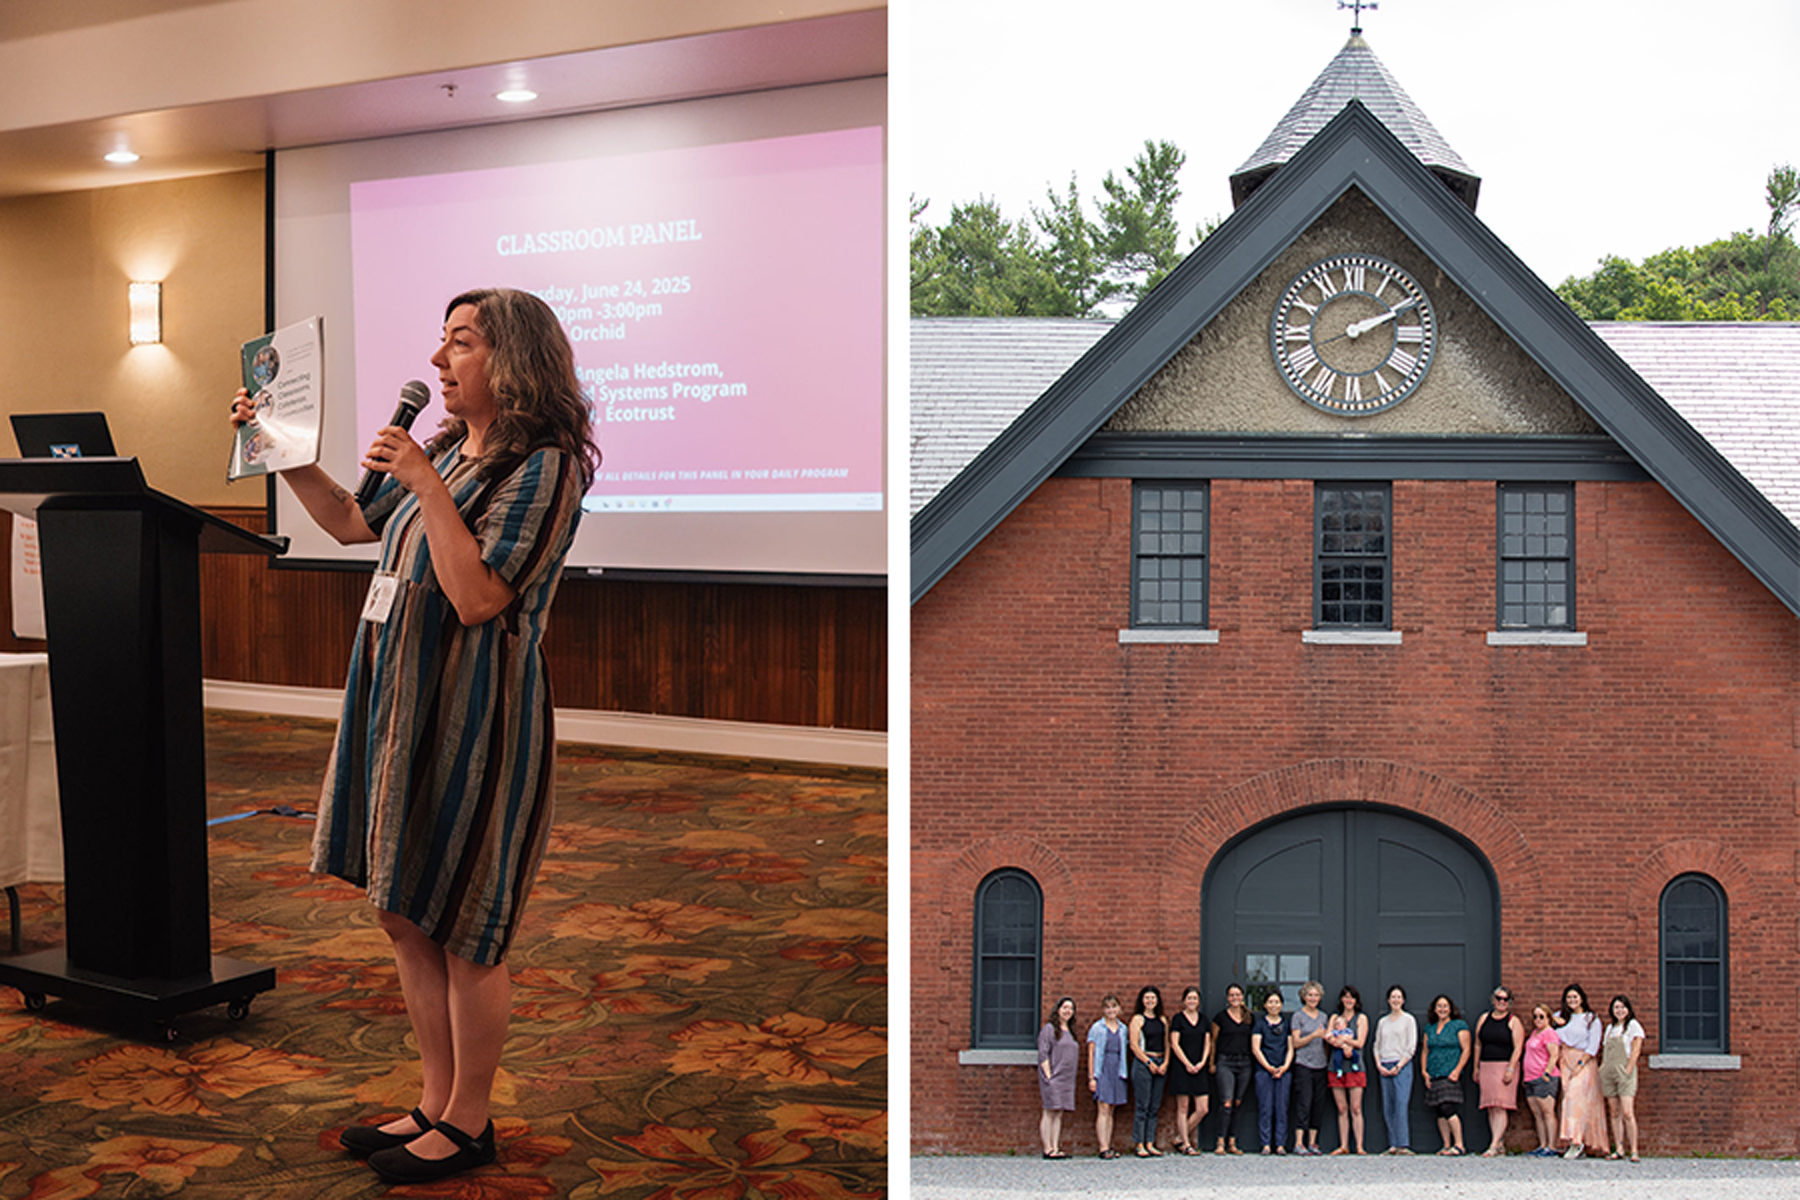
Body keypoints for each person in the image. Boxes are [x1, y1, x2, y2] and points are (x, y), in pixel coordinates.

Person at [236, 289, 599, 1185]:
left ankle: (470, 1122)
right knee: (405, 914)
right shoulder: (440, 446)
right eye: (441, 343)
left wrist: (429, 486)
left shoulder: (546, 469)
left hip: (478, 720)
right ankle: (433, 1102)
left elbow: (478, 596)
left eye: (461, 344)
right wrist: (281, 452)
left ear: (512, 361)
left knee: (467, 924)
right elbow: (351, 521)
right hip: (399, 708)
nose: (438, 361)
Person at [1554, 983, 1609, 1159]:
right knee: (1568, 1101)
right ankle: (1572, 1140)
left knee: (1575, 1099)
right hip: (1564, 1061)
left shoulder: (1591, 1019)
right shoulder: (1559, 1017)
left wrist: (1580, 1064)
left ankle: (1577, 1142)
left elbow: (1593, 1046)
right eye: (1569, 997)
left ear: (1582, 998)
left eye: (1575, 997)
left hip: (1584, 1062)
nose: (1572, 1000)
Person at [1474, 986, 1524, 1156]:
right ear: (1493, 1000)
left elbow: (1518, 1047)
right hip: (1487, 1066)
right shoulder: (1484, 1019)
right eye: (1499, 998)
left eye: (1505, 999)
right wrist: (1476, 1067)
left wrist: (1511, 1068)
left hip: (1504, 1067)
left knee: (1501, 1106)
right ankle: (1500, 1143)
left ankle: (1494, 1144)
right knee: (1490, 1106)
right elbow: (1478, 1044)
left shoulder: (1513, 1021)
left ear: (1509, 1003)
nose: (1501, 1002)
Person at [1420, 994, 1471, 1155]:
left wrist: (1457, 1070)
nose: (1442, 1009)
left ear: (1450, 1009)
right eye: (1439, 1006)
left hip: (1450, 1073)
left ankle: (1459, 1144)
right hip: (1434, 1073)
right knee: (1439, 1110)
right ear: (1434, 1009)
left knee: (1448, 1107)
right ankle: (1446, 1145)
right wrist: (1424, 1072)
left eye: (1445, 1006)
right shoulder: (1430, 1027)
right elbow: (1425, 1051)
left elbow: (1466, 1049)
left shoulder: (1459, 1025)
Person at [1167, 986, 1213, 1154]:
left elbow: (1208, 1043)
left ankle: (1179, 1137)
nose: (1192, 1001)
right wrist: (1187, 1063)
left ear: (1198, 1001)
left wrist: (1202, 1062)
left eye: (1195, 998)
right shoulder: (1178, 1020)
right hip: (1182, 1067)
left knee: (1203, 1109)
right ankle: (1186, 1144)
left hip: (1199, 1067)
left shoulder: (1204, 1020)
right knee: (1183, 1107)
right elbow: (1174, 1043)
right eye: (1189, 998)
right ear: (1184, 1001)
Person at [1325, 984, 1370, 1155]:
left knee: (1356, 1107)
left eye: (1352, 997)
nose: (1348, 1000)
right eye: (1345, 997)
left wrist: (1342, 1040)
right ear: (1341, 1000)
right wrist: (1343, 1041)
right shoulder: (1334, 1018)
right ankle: (1344, 1145)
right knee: (1341, 1108)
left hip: (1355, 1067)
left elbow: (1360, 1043)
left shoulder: (1361, 1018)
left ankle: (1359, 1145)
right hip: (1336, 1067)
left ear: (1356, 1000)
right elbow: (1328, 1037)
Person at [1210, 983, 1255, 1154]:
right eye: (1231, 995)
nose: (1234, 998)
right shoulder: (1220, 1017)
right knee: (1226, 1102)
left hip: (1244, 1063)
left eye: (1237, 995)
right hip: (1225, 1062)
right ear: (1227, 998)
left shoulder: (1249, 1017)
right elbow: (1213, 1041)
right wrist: (1211, 1063)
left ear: (1242, 997)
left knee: (1238, 1102)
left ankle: (1232, 1142)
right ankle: (1220, 1141)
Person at [1373, 984, 1418, 1154]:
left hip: (1402, 1066)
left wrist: (1399, 1065)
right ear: (1388, 1000)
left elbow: (1411, 1046)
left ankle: (1403, 1144)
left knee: (1401, 1103)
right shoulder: (1382, 1022)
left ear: (1403, 1000)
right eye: (1393, 997)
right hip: (1384, 1064)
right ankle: (1392, 1144)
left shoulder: (1408, 1020)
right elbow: (1377, 1045)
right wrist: (1379, 1065)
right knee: (1388, 1105)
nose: (1396, 1000)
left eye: (1399, 997)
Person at [1600, 995, 1645, 1162]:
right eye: (1616, 1007)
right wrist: (1603, 1068)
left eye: (1623, 1007)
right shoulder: (1610, 1028)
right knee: (1614, 1111)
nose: (1620, 1010)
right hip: (1609, 1070)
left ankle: (1634, 1150)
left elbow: (1636, 1050)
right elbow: (1605, 1050)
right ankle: (1619, 1148)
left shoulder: (1633, 1026)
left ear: (1628, 1009)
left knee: (1627, 1111)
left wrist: (1628, 1070)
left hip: (1624, 1069)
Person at [1288, 982, 1331, 1155]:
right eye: (1310, 995)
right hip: (1303, 1065)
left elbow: (1327, 1042)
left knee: (1318, 1104)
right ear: (1304, 997)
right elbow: (1296, 1042)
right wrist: (1313, 1035)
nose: (1313, 998)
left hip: (1320, 1065)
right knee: (1304, 1103)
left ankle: (1313, 1143)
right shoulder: (1298, 1016)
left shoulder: (1323, 1017)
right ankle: (1299, 1143)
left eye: (1316, 995)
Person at [1250, 988, 1295, 1154]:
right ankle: (1266, 1144)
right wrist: (1268, 1067)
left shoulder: (1286, 1024)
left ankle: (1281, 1144)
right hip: (1264, 1071)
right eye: (1270, 1002)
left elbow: (1291, 1048)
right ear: (1265, 1005)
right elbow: (1256, 1048)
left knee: (1282, 1108)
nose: (1273, 1005)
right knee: (1265, 1107)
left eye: (1276, 1002)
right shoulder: (1260, 1024)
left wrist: (1284, 1066)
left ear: (1281, 1005)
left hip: (1284, 1072)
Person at [1128, 985, 1171, 1156]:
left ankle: (1150, 1142)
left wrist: (1166, 1063)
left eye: (1153, 998)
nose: (1150, 1001)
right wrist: (1149, 1063)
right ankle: (1139, 1144)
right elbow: (1134, 1045)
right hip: (1143, 1064)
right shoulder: (1138, 1019)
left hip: (1161, 1063)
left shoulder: (1162, 1020)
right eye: (1147, 998)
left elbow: (1167, 1043)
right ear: (1142, 1001)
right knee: (1142, 1105)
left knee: (1154, 1106)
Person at [1087, 994, 1129, 1159]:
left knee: (1111, 1108)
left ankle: (1109, 1145)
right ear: (1103, 1010)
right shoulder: (1097, 1028)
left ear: (1119, 1009)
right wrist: (1092, 1077)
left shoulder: (1123, 1029)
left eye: (1114, 1007)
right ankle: (1102, 1147)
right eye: (1107, 1007)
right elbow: (1091, 1053)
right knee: (1103, 1107)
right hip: (1102, 1069)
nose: (1111, 1010)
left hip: (1118, 1069)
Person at [1037, 996, 1080, 1158]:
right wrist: (1048, 1076)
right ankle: (1047, 1148)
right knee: (1049, 1110)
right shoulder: (1049, 1029)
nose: (1068, 1011)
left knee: (1059, 1112)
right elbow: (1043, 1053)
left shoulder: (1071, 1031)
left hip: (1067, 1080)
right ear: (1058, 1010)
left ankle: (1055, 1147)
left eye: (1071, 1008)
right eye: (1065, 1008)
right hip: (1053, 1077)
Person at [1520, 1003, 1563, 1156]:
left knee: (1547, 1112)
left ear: (1548, 1018)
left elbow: (1554, 1055)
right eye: (1535, 1016)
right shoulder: (1535, 1033)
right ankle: (1542, 1144)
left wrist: (1546, 1073)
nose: (1538, 1019)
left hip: (1544, 1077)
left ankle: (1552, 1146)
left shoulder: (1550, 1033)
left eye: (1541, 1016)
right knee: (1537, 1114)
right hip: (1530, 1078)